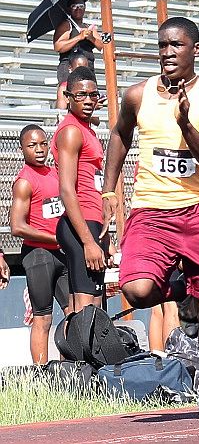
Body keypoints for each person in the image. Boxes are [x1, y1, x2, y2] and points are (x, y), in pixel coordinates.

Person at [100, 16, 199, 421]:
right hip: (151, 211)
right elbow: (120, 134)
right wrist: (109, 189)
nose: (167, 53)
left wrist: (183, 124)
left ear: (196, 49)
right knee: (136, 290)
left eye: (176, 45)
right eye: (162, 45)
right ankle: (184, 289)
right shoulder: (138, 94)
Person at [10, 125, 70, 363]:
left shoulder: (55, 174)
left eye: (43, 143)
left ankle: (71, 368)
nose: (39, 149)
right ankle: (41, 373)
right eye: (32, 145)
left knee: (72, 312)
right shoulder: (24, 181)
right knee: (42, 317)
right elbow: (17, 226)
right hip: (38, 255)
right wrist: (55, 238)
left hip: (61, 253)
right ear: (22, 149)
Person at [51, 66, 107, 313]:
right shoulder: (71, 131)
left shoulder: (87, 129)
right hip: (80, 224)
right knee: (87, 310)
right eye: (80, 95)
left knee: (87, 308)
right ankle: (79, 354)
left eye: (93, 95)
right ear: (67, 97)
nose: (88, 101)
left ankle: (76, 353)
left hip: (92, 221)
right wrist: (88, 242)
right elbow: (66, 189)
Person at [53, 0, 103, 106]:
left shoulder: (88, 28)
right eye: (74, 6)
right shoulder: (66, 25)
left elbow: (102, 46)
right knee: (66, 91)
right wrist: (78, 37)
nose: (78, 8)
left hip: (88, 66)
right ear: (69, 9)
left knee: (88, 93)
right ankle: (62, 117)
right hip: (70, 66)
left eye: (81, 6)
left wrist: (91, 38)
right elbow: (58, 46)